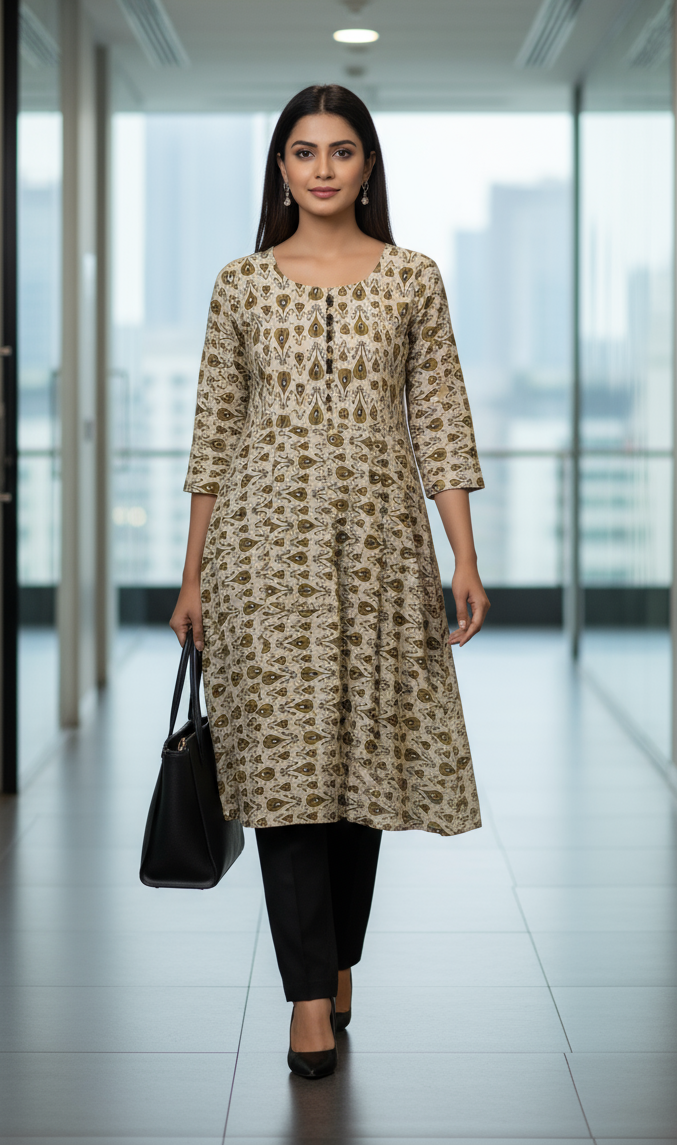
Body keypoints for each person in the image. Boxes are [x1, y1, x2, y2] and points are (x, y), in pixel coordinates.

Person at [170, 84, 490, 1079]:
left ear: (365, 166)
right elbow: (213, 433)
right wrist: (189, 576)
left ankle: (337, 955)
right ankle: (307, 996)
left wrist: (462, 555)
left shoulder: (411, 279)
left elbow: (439, 416)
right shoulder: (239, 284)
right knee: (283, 775)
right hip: (260, 560)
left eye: (340, 150)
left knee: (357, 769)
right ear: (279, 166)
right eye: (302, 150)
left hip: (384, 554)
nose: (320, 167)